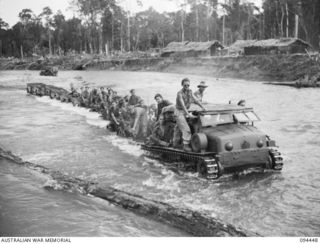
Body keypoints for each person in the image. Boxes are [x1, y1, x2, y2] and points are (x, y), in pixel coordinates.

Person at [174, 78, 205, 152]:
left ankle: (175, 143)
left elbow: (196, 100)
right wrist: (188, 114)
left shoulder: (190, 91)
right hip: (179, 112)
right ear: (182, 85)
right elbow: (183, 106)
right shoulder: (179, 93)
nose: (187, 86)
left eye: (188, 85)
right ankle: (186, 145)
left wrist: (203, 107)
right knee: (186, 129)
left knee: (178, 128)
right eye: (185, 85)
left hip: (186, 111)